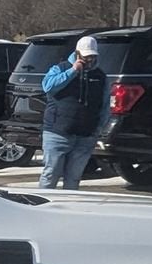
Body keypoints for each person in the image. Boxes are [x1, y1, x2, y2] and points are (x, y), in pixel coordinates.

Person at [39, 35, 106, 190]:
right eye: (86, 57)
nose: (89, 61)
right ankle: (42, 208)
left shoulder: (100, 76)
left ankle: (69, 209)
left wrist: (98, 129)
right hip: (57, 133)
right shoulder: (60, 68)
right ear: (77, 54)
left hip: (85, 136)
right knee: (51, 174)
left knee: (74, 178)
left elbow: (104, 104)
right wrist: (72, 71)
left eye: (92, 57)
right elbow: (47, 86)